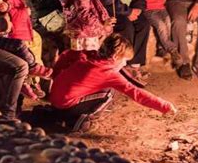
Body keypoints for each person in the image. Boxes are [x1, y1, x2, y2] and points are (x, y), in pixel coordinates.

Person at [47, 34, 177, 132]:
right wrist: (164, 106)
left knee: (99, 89)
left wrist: (56, 75)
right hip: (67, 105)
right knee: (109, 93)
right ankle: (80, 122)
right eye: (125, 60)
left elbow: (65, 55)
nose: (125, 63)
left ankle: (59, 114)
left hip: (54, 98)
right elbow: (135, 93)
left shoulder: (88, 53)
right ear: (115, 57)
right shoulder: (108, 74)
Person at [0, 0, 53, 98]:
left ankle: (34, 84)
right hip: (16, 33)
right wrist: (25, 12)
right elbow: (13, 15)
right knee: (24, 61)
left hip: (23, 31)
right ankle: (27, 85)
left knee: (32, 52)